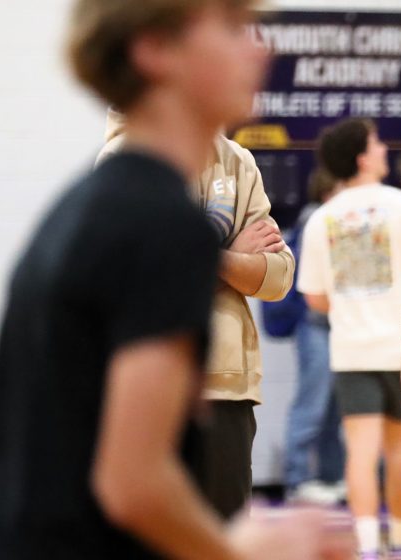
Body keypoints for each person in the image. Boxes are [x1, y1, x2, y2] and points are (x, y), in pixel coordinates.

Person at [0, 1, 347, 559]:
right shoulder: (154, 217)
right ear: (154, 48)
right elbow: (133, 484)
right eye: (229, 27)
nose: (259, 47)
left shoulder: (103, 204)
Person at [99, 106, 295, 520]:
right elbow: (146, 273)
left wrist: (203, 260)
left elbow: (278, 276)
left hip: (229, 386)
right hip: (156, 382)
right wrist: (233, 256)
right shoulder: (126, 157)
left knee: (225, 534)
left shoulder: (238, 160)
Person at [297, 118, 401, 560]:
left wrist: (353, 306)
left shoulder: (321, 220)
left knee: (361, 452)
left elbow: (314, 297)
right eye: (376, 142)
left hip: (352, 351)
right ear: (362, 156)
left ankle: (368, 546)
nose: (384, 148)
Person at [281, 168, 346, 505]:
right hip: (316, 323)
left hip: (337, 323)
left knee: (334, 407)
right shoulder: (315, 220)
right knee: (312, 403)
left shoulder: (336, 219)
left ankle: (331, 476)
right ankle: (297, 479)